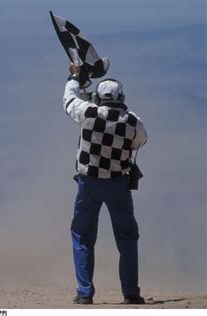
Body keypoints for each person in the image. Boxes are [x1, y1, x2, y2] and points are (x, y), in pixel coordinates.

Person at [63, 62, 148, 304]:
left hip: (87, 184)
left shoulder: (88, 112)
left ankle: (84, 293)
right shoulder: (132, 121)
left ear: (99, 97)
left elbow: (69, 100)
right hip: (117, 185)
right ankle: (130, 293)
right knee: (127, 238)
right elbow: (140, 141)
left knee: (82, 236)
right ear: (121, 96)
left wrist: (75, 77)